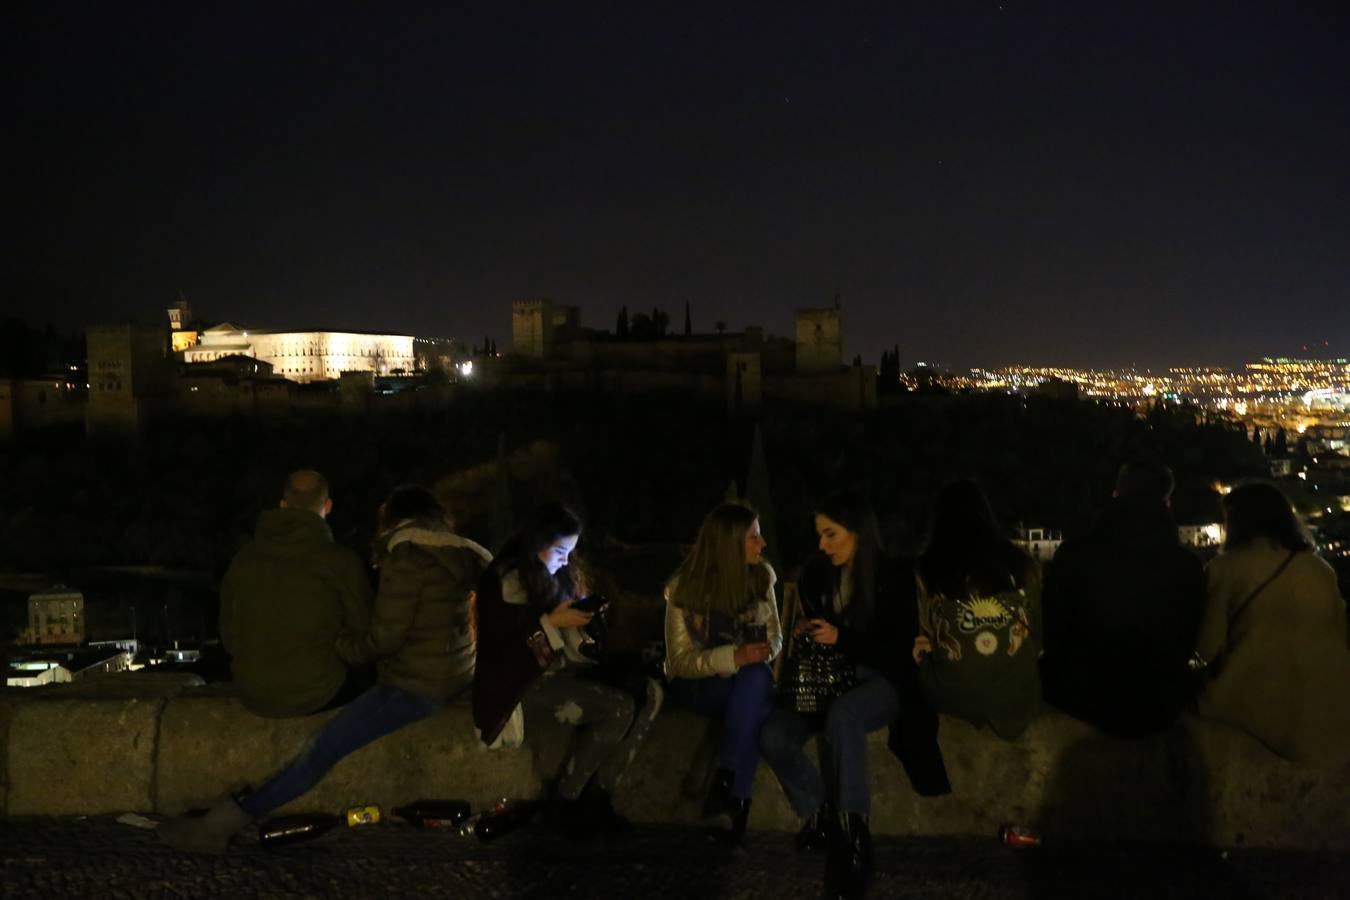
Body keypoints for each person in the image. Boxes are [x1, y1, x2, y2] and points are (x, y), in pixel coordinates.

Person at [160, 485, 490, 854]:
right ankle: (223, 819)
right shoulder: (451, 552)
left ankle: (220, 825)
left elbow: (384, 638)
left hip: (419, 686)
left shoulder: (408, 556)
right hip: (452, 673)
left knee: (322, 749)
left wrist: (341, 646)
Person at [759, 491, 926, 900]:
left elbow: (900, 650)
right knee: (773, 734)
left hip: (883, 680)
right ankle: (819, 813)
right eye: (819, 535)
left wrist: (841, 638)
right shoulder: (818, 575)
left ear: (858, 532)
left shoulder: (894, 575)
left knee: (844, 716)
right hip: (828, 680)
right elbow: (823, 635)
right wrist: (809, 632)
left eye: (831, 534)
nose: (822, 544)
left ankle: (854, 842)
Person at [472, 502, 662, 834]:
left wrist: (582, 628)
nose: (564, 561)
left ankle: (598, 796)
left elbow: (567, 649)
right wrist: (552, 623)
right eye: (560, 552)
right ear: (537, 544)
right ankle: (565, 802)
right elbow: (507, 650)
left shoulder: (553, 578)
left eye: (569, 554)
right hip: (513, 690)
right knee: (618, 707)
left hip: (554, 673)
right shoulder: (508, 580)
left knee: (649, 692)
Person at [1040, 460, 1207, 736]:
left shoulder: (1074, 555)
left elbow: (1053, 629)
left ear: (1116, 494)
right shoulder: (1186, 565)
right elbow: (1189, 638)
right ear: (1166, 502)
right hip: (1158, 702)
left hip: (1082, 697)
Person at [1195, 480, 1350, 769]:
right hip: (1327, 712)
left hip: (1255, 709)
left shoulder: (1225, 569)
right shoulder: (1320, 569)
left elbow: (1207, 647)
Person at [663, 502, 782, 842]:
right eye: (754, 537)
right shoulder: (684, 588)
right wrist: (734, 657)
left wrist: (762, 651)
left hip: (745, 682)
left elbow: (775, 636)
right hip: (699, 684)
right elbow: (680, 661)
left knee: (755, 682)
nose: (762, 544)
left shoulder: (760, 578)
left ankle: (727, 781)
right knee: (757, 705)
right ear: (729, 545)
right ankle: (736, 797)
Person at [218, 470, 373, 718]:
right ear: (328, 505)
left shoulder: (243, 560)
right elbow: (364, 633)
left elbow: (229, 635)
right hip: (318, 691)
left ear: (283, 505)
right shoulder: (340, 561)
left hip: (252, 691)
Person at [913, 479, 1042, 740]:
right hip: (1019, 696)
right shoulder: (1021, 563)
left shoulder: (927, 568)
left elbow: (928, 631)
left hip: (952, 694)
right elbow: (1037, 636)